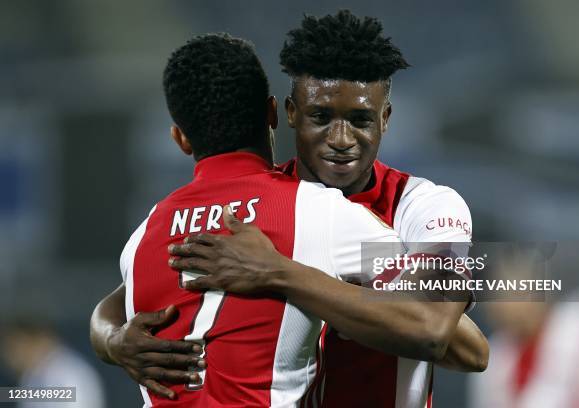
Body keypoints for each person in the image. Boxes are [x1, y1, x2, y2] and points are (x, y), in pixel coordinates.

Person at [90, 11, 487, 408]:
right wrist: (112, 339)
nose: (341, 139)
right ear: (288, 113)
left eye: (360, 119)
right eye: (321, 117)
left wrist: (281, 273)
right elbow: (123, 299)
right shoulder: (263, 209)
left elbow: (455, 342)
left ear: (385, 119)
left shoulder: (426, 207)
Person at [2, 319, 106, 408]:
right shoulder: (33, 375)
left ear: (40, 339)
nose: (12, 357)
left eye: (18, 347)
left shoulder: (70, 373)